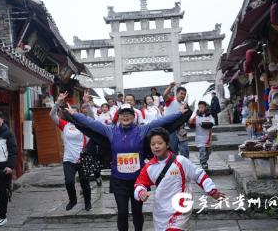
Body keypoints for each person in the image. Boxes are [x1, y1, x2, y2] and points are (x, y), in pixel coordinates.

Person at [66, 101, 188, 231]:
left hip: (139, 181)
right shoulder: (110, 130)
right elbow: (92, 124)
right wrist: (76, 114)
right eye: (122, 114)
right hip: (119, 181)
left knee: (137, 213)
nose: (125, 116)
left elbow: (161, 121)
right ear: (118, 116)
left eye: (128, 113)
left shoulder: (142, 129)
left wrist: (179, 113)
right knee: (122, 213)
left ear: (133, 116)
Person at [134, 127, 224, 231]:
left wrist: (211, 190)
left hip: (180, 210)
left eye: (160, 143)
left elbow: (198, 174)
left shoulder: (180, 161)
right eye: (153, 144)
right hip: (161, 213)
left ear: (167, 144)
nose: (156, 146)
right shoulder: (149, 167)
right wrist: (141, 192)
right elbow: (139, 183)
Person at [49, 92, 92, 211]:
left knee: (85, 182)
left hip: (83, 158)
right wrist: (58, 102)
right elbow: (52, 115)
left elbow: (92, 118)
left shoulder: (84, 124)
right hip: (69, 159)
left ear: (78, 113)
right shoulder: (65, 124)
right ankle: (73, 200)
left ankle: (87, 202)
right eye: (69, 110)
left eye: (74, 111)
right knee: (69, 182)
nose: (71, 112)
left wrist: (86, 103)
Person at [163, 82, 189, 158]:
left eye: (184, 94)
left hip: (181, 130)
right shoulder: (171, 100)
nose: (183, 95)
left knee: (185, 149)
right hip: (170, 129)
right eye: (181, 93)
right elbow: (164, 95)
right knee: (173, 150)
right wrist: (170, 86)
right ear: (177, 94)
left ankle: (185, 166)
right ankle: (174, 166)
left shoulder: (184, 105)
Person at [188, 101, 214, 170]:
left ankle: (205, 160)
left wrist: (204, 124)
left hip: (208, 137)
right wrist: (191, 123)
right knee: (202, 150)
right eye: (199, 107)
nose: (201, 109)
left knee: (208, 151)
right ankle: (203, 162)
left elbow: (212, 123)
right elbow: (191, 125)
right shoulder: (195, 116)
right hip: (199, 137)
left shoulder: (209, 115)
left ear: (205, 107)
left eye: (202, 107)